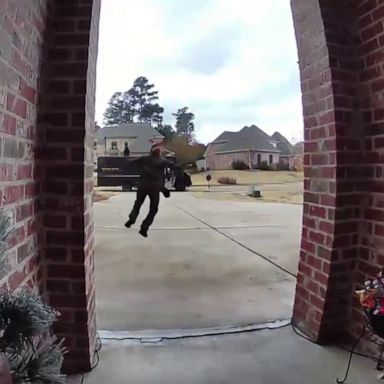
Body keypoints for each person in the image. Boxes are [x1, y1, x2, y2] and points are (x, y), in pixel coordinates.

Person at [124, 145, 178, 238]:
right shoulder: (162, 161)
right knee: (153, 209)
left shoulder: (144, 159)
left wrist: (126, 155)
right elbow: (174, 166)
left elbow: (129, 162)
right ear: (159, 153)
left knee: (138, 204)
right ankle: (144, 228)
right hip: (154, 188)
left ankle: (132, 219)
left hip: (143, 186)